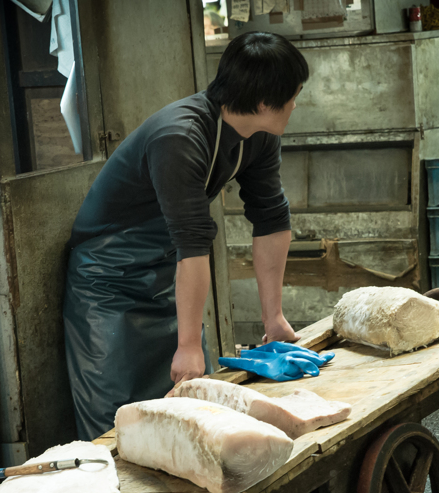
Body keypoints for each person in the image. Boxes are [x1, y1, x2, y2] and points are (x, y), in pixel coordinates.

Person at [63, 31, 309, 440]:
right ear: (265, 102)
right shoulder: (179, 136)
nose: (296, 104)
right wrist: (190, 343)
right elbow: (194, 244)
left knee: (192, 414)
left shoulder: (260, 136)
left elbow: (270, 218)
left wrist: (274, 317)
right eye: (294, 95)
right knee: (119, 425)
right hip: (109, 281)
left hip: (168, 275)